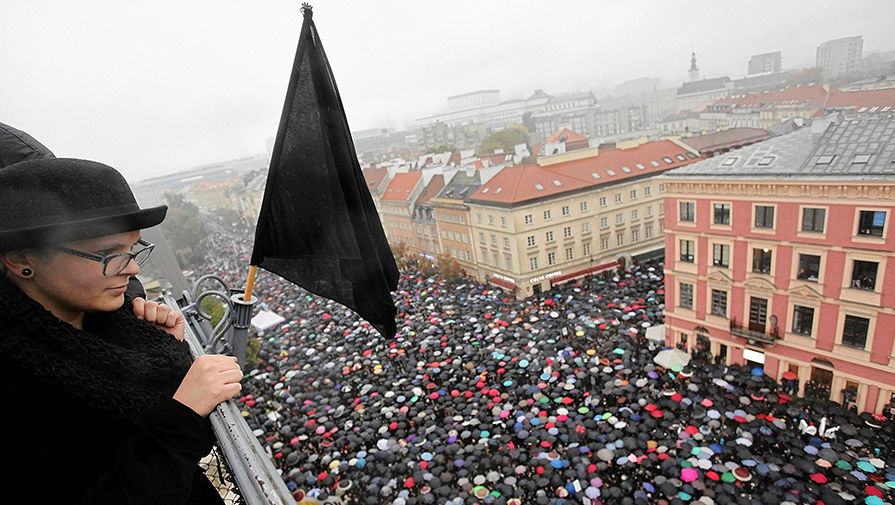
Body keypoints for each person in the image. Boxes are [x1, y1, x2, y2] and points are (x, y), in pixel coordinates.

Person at [0, 157, 243, 503]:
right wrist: (180, 418)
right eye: (107, 254)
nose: (131, 268)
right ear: (23, 261)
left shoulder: (120, 323)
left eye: (133, 249)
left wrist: (161, 348)